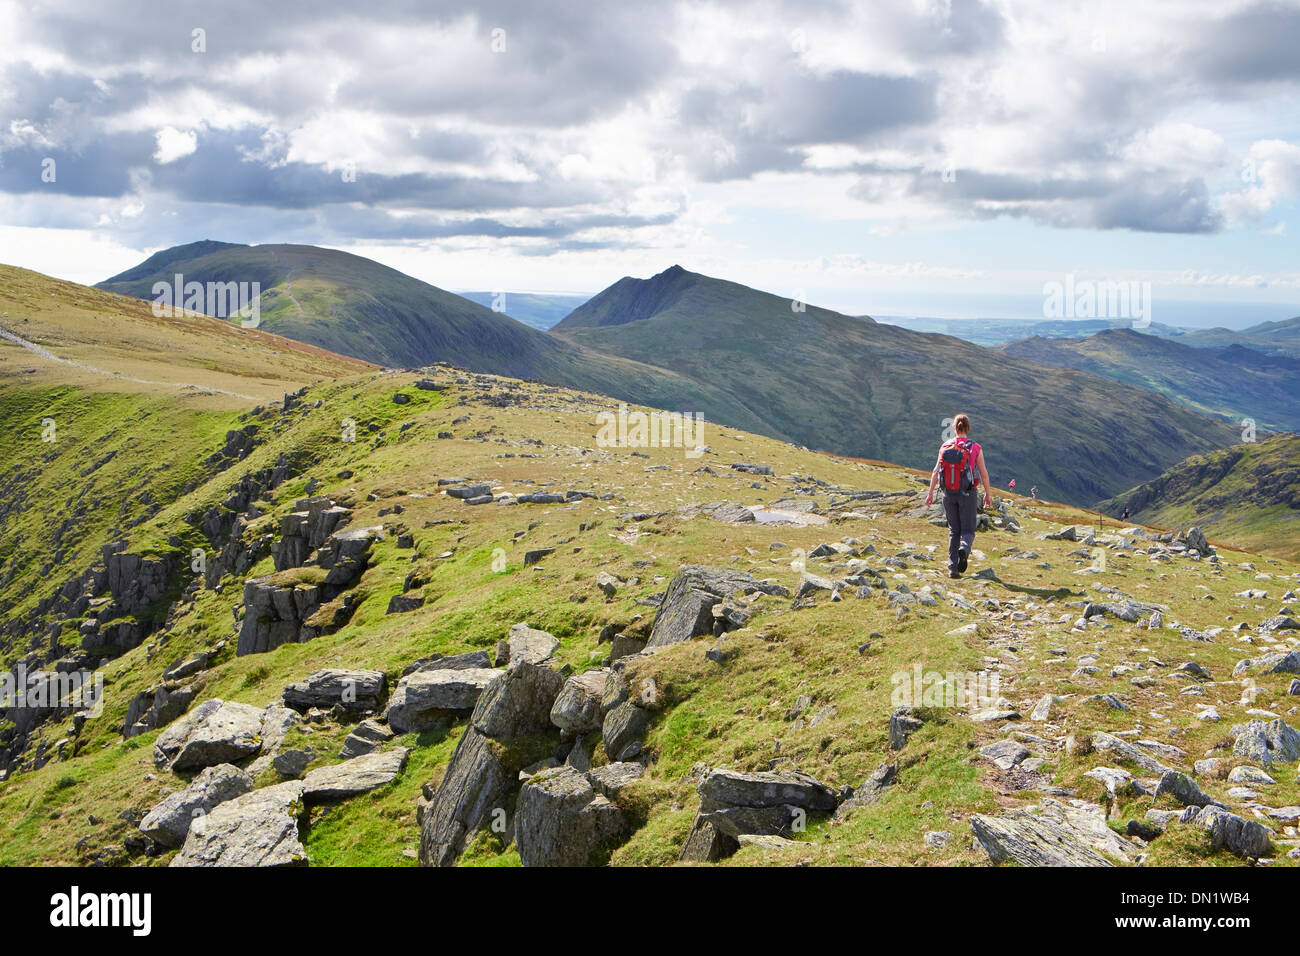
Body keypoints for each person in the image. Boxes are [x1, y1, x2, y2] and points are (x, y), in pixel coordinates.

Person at [925, 412, 992, 578]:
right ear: (968, 428)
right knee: (968, 530)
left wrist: (930, 493)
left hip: (948, 494)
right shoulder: (975, 447)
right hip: (968, 494)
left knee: (953, 530)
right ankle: (964, 548)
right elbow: (983, 474)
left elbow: (935, 471)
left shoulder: (945, 446)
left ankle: (952, 569)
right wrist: (988, 495)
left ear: (954, 428)